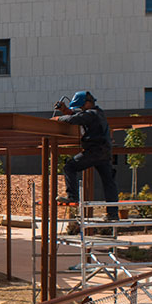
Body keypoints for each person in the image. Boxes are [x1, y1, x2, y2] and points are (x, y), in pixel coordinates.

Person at [52, 90, 118, 220]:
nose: (81, 109)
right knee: (109, 182)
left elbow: (75, 118)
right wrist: (65, 110)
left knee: (69, 167)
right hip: (104, 153)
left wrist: (58, 119)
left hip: (94, 151)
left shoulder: (91, 114)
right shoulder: (98, 113)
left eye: (81, 106)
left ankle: (72, 196)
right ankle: (113, 214)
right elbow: (78, 116)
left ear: (88, 103)